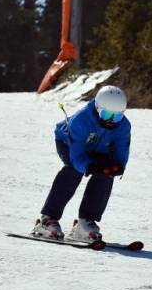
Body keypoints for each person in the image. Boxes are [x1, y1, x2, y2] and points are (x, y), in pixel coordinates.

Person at [32, 85, 131, 242]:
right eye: (106, 115)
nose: (111, 121)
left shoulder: (124, 126)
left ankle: (85, 223)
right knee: (73, 170)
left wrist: (118, 166)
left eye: (116, 117)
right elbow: (77, 155)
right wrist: (89, 166)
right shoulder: (81, 120)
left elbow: (121, 150)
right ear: (98, 108)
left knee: (106, 173)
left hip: (98, 148)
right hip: (69, 144)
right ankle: (47, 220)